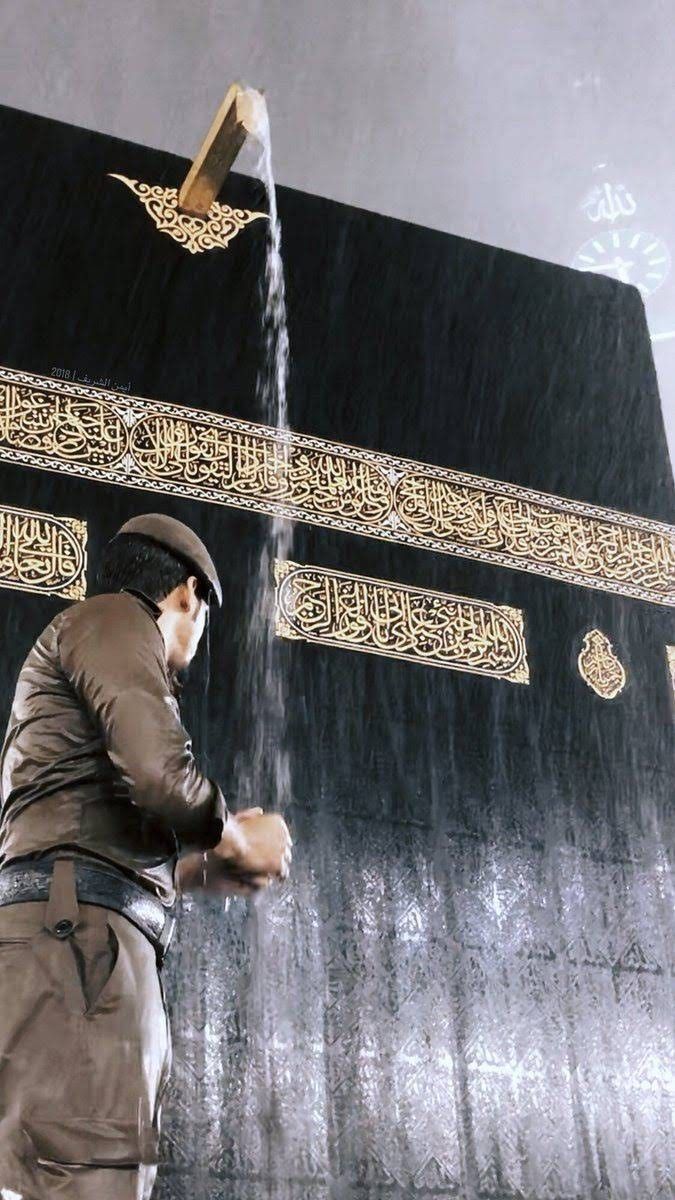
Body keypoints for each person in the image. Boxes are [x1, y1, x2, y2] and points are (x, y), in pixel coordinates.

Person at [0, 512, 292, 1200]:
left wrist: (201, 870)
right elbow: (160, 777)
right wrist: (235, 836)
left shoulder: (80, 645)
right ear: (188, 595)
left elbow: (85, 832)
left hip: (63, 937)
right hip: (82, 949)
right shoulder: (114, 620)